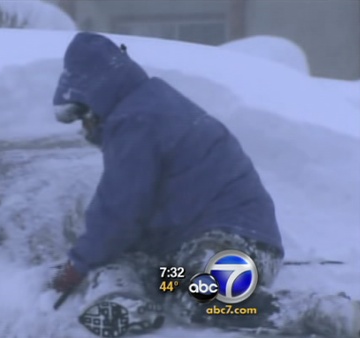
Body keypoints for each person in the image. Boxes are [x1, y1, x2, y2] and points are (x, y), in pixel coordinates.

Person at [49, 32, 360, 338]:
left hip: (236, 238)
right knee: (166, 281)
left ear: (92, 100)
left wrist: (78, 264)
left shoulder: (137, 120)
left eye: (82, 117)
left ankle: (327, 314)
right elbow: (135, 213)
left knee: (205, 296)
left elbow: (120, 208)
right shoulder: (144, 108)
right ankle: (126, 301)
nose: (85, 127)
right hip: (197, 246)